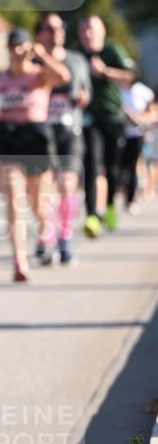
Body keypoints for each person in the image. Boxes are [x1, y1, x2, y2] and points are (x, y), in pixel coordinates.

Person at [0, 29, 69, 281]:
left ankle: (46, 234)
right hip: (9, 137)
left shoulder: (39, 75)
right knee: (13, 198)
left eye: (21, 45)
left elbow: (63, 77)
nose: (17, 51)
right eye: (12, 46)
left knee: (37, 204)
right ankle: (19, 261)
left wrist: (42, 54)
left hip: (36, 138)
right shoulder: (1, 78)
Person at [35, 13, 91, 264]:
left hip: (70, 130)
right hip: (41, 132)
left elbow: (86, 92)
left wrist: (83, 98)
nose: (56, 32)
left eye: (60, 27)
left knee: (68, 183)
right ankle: (46, 237)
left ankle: (65, 240)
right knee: (44, 188)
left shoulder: (77, 60)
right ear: (40, 34)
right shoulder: (33, 61)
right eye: (49, 28)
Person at [77, 15, 135, 237]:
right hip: (89, 118)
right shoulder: (77, 55)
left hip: (113, 117)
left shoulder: (113, 51)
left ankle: (110, 205)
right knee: (91, 165)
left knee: (112, 168)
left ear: (102, 31)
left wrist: (105, 71)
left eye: (92, 29)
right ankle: (92, 215)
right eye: (84, 29)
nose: (88, 34)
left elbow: (131, 76)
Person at [120, 81, 154, 213]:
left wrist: (138, 118)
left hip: (136, 134)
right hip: (119, 133)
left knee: (133, 165)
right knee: (118, 166)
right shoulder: (117, 88)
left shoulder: (143, 91)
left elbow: (151, 112)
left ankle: (131, 198)